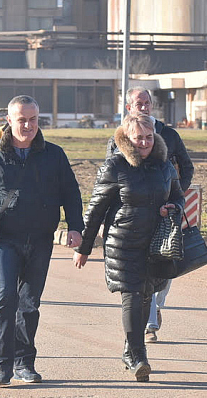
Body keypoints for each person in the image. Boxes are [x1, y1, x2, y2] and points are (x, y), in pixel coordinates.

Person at [0, 95, 83, 386]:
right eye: (21, 120)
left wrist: (76, 228)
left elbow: (71, 193)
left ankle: (24, 363)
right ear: (9, 121)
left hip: (40, 239)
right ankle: (2, 364)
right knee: (5, 297)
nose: (27, 125)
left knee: (29, 303)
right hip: (5, 239)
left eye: (32, 120)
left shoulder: (54, 155)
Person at [74, 114, 184, 381]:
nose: (144, 143)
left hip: (156, 243)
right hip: (123, 243)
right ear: (127, 138)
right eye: (138, 138)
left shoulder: (164, 166)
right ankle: (138, 355)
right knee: (133, 295)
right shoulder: (115, 166)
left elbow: (179, 196)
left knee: (147, 295)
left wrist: (174, 208)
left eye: (148, 137)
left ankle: (129, 350)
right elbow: (95, 209)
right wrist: (84, 247)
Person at [106, 87, 194, 343]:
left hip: (163, 216)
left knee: (164, 269)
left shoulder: (169, 134)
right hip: (132, 221)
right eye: (138, 103)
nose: (143, 106)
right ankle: (147, 325)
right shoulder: (118, 138)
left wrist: (174, 191)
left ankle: (155, 307)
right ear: (128, 107)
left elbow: (186, 167)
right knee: (137, 277)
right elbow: (109, 178)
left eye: (147, 102)